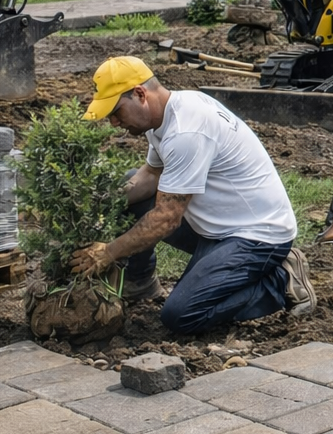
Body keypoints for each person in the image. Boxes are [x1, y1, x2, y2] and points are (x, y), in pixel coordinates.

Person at [68, 56, 316, 333]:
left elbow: (165, 220)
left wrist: (109, 252)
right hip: (218, 226)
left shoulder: (186, 131)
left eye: (117, 112)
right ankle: (139, 283)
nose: (114, 123)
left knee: (182, 315)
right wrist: (98, 203)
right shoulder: (164, 116)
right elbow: (150, 175)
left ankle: (281, 280)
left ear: (140, 94)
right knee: (128, 188)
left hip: (257, 236)